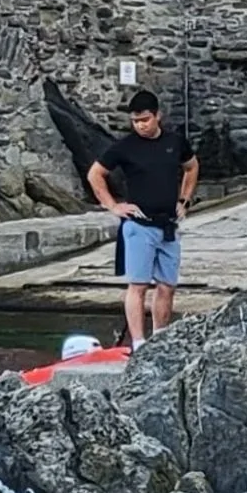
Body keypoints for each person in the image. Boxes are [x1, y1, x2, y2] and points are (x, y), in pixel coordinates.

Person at [85, 89, 199, 348]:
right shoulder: (125, 146)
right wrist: (113, 206)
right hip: (139, 225)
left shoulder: (175, 142)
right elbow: (95, 174)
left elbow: (191, 166)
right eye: (135, 121)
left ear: (158, 115)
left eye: (145, 119)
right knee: (138, 285)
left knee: (167, 285)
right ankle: (138, 342)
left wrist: (184, 200)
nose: (141, 125)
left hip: (168, 224)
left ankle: (160, 337)